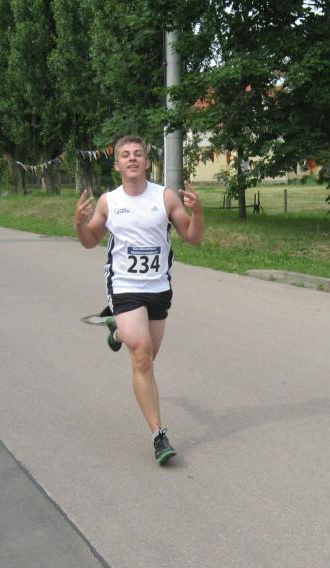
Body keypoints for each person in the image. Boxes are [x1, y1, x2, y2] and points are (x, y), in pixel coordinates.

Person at [74, 135, 204, 465]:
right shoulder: (109, 202)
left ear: (146, 162)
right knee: (143, 358)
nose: (132, 158)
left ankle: (117, 331)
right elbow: (90, 240)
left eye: (138, 154)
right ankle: (159, 435)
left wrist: (198, 213)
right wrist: (79, 224)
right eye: (125, 155)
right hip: (125, 286)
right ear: (116, 164)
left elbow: (193, 238)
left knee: (146, 358)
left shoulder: (165, 197)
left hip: (158, 288)